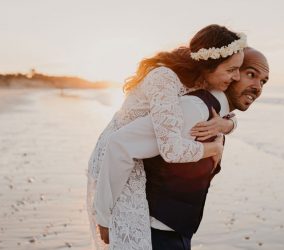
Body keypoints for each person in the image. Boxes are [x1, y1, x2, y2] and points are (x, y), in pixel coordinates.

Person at [87, 24, 247, 250]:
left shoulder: (201, 80)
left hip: (135, 148)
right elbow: (170, 149)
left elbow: (223, 110)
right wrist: (214, 149)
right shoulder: (165, 79)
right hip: (115, 157)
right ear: (209, 64)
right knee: (125, 235)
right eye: (231, 69)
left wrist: (229, 124)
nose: (236, 76)